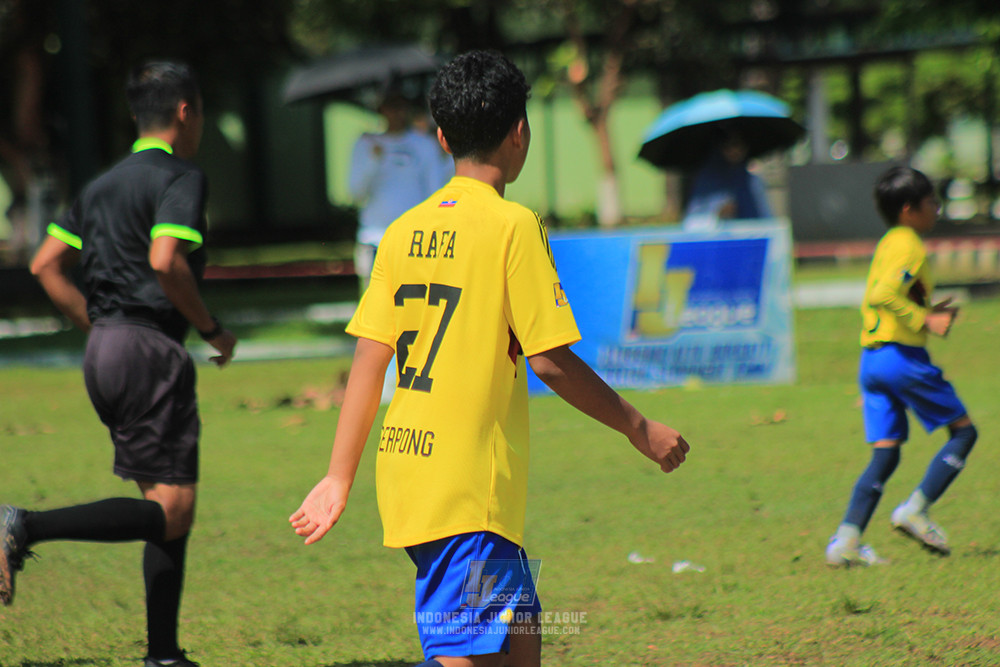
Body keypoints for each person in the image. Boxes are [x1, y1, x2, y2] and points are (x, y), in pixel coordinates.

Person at [290, 50, 690, 667]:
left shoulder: (399, 232)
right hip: (466, 490)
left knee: (521, 638)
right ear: (520, 132)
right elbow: (550, 361)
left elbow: (370, 359)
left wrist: (339, 476)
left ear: (442, 136)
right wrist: (640, 428)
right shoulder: (513, 226)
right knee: (464, 653)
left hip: (408, 471)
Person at [1, 61, 236, 667]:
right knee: (172, 509)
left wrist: (100, 327)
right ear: (186, 111)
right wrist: (210, 328)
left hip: (104, 350)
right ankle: (22, 526)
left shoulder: (101, 185)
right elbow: (165, 259)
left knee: (165, 506)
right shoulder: (180, 177)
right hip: (150, 351)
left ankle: (163, 653)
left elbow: (45, 264)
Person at [825, 166, 977, 567]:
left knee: (886, 455)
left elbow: (883, 294)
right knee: (964, 433)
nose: (937, 208)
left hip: (872, 360)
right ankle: (915, 510)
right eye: (932, 202)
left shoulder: (890, 241)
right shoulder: (909, 243)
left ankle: (847, 541)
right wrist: (922, 320)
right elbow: (881, 293)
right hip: (901, 359)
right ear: (909, 209)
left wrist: (927, 311)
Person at [349, 88, 453, 292]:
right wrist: (373, 161)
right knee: (374, 312)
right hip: (374, 238)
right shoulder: (366, 144)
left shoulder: (423, 145)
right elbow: (355, 193)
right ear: (381, 109)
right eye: (390, 106)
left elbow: (435, 191)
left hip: (415, 241)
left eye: (400, 106)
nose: (396, 112)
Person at [682, 129, 772, 231]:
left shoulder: (752, 180)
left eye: (740, 145)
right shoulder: (707, 180)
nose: (735, 150)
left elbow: (765, 221)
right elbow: (691, 224)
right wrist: (717, 214)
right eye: (729, 145)